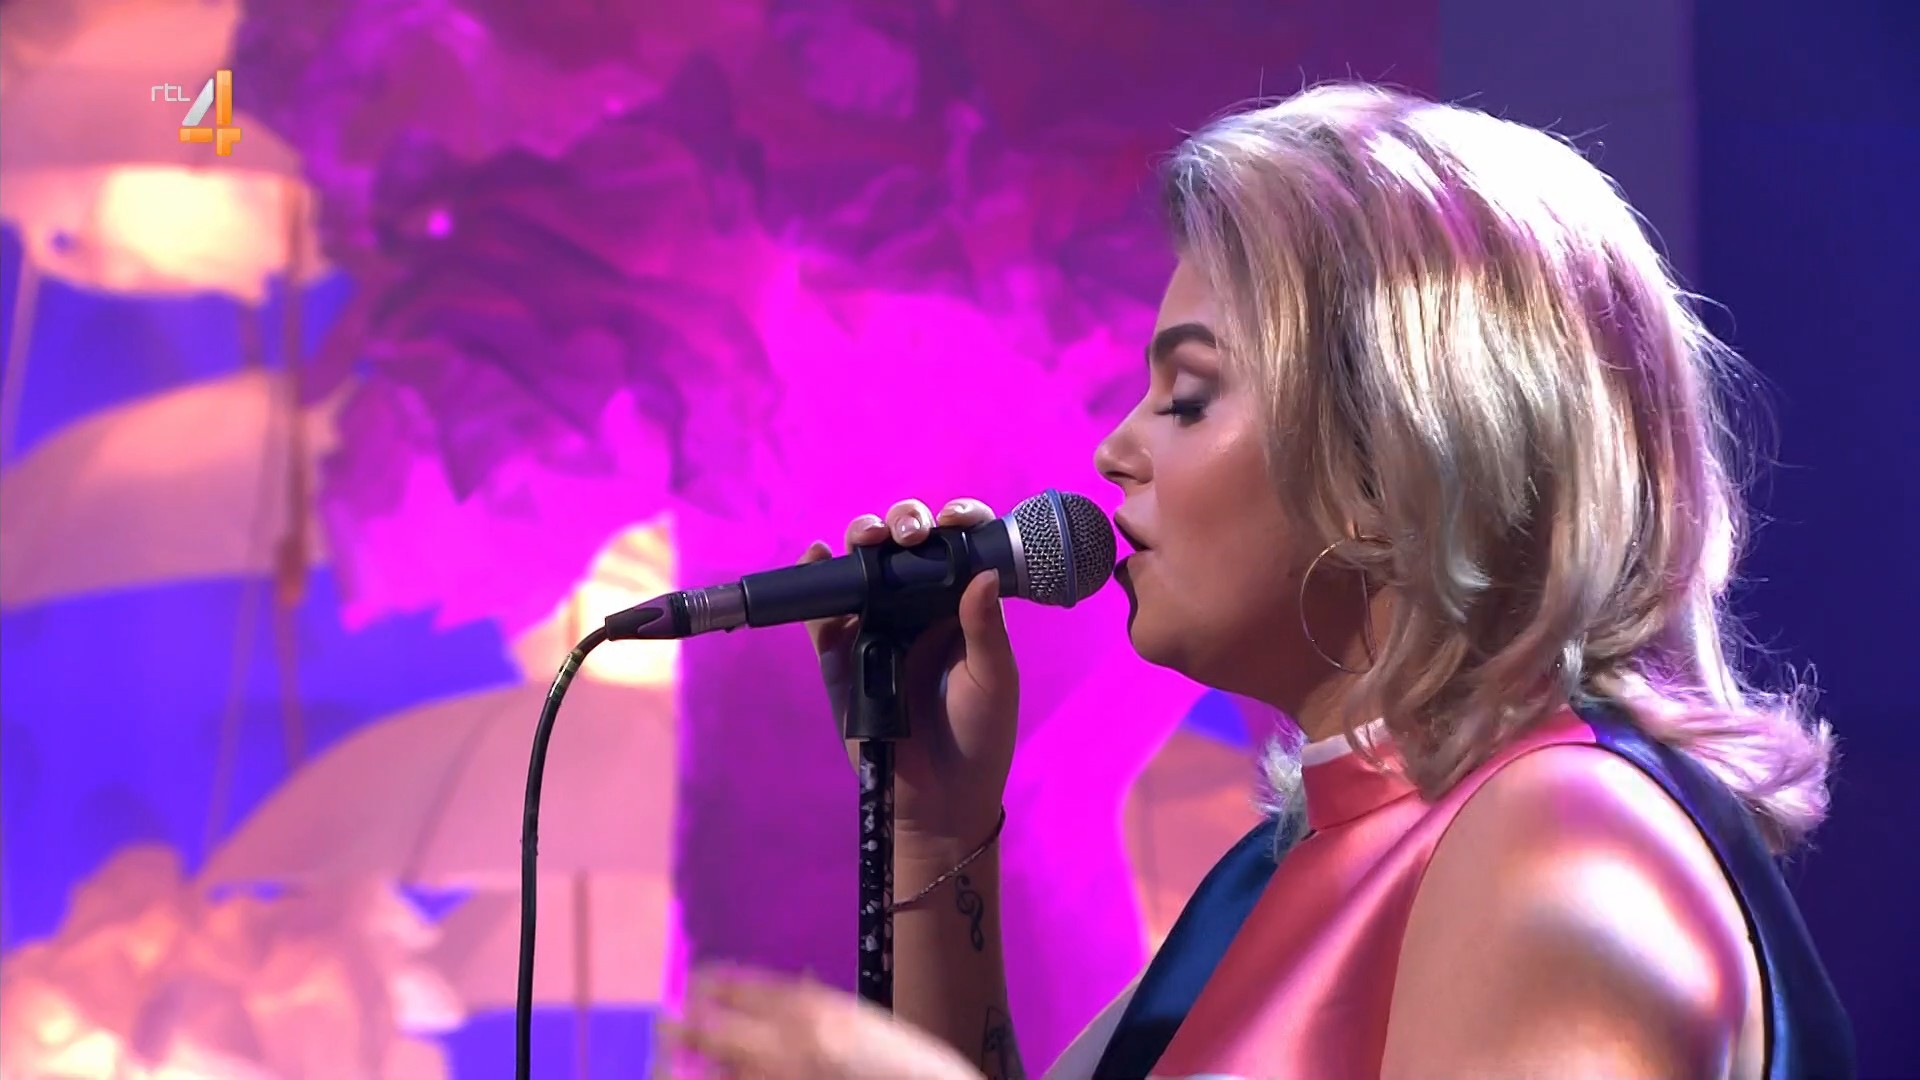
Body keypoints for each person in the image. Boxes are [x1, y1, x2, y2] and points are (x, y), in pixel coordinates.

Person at [658, 83, 1854, 1080]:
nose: (1115, 451)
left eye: (1188, 398)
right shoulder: (1272, 876)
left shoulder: (1559, 833)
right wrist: (936, 826)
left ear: (1397, 455)